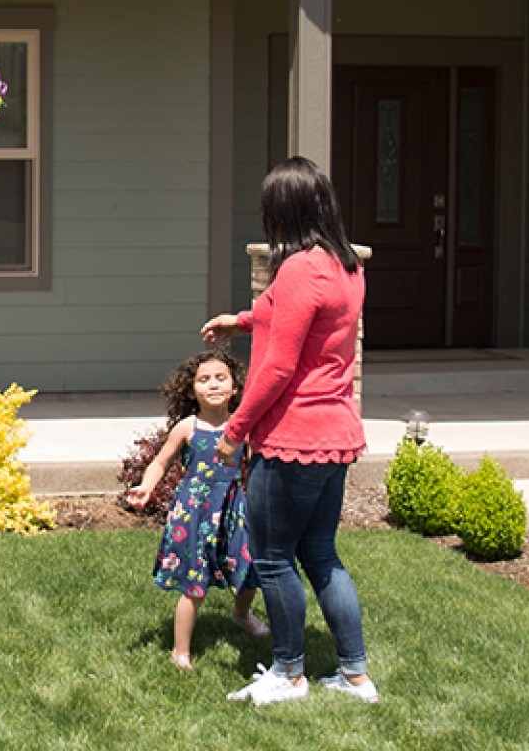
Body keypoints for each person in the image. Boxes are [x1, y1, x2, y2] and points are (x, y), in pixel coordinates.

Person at [202, 156, 379, 705]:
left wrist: (235, 429)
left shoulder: (300, 267)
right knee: (321, 553)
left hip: (294, 438)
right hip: (335, 434)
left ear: (284, 212)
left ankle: (289, 673)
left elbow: (277, 366)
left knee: (275, 557)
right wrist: (242, 320)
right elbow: (297, 316)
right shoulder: (345, 265)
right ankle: (355, 677)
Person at [126, 349, 270, 670]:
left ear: (235, 387)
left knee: (248, 568)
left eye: (221, 378)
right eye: (204, 380)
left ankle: (241, 614)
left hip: (233, 507)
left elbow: (258, 465)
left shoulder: (242, 427)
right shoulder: (186, 428)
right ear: (192, 390)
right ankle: (181, 652)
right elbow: (161, 462)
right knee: (194, 581)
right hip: (193, 510)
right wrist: (146, 486)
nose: (213, 385)